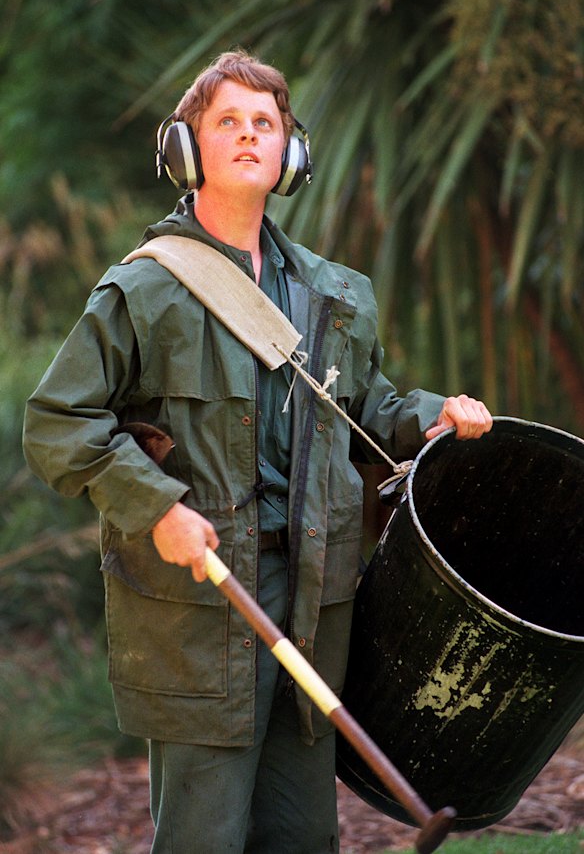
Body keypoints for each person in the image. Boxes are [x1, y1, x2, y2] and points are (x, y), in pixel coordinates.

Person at [23, 50, 492, 853]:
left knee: (302, 833)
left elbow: (366, 410)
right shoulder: (143, 291)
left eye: (265, 123)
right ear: (187, 148)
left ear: (291, 154)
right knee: (204, 834)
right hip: (201, 606)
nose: (248, 136)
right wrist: (155, 506)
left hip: (317, 597)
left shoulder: (337, 295)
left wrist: (435, 413)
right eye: (227, 122)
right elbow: (57, 424)